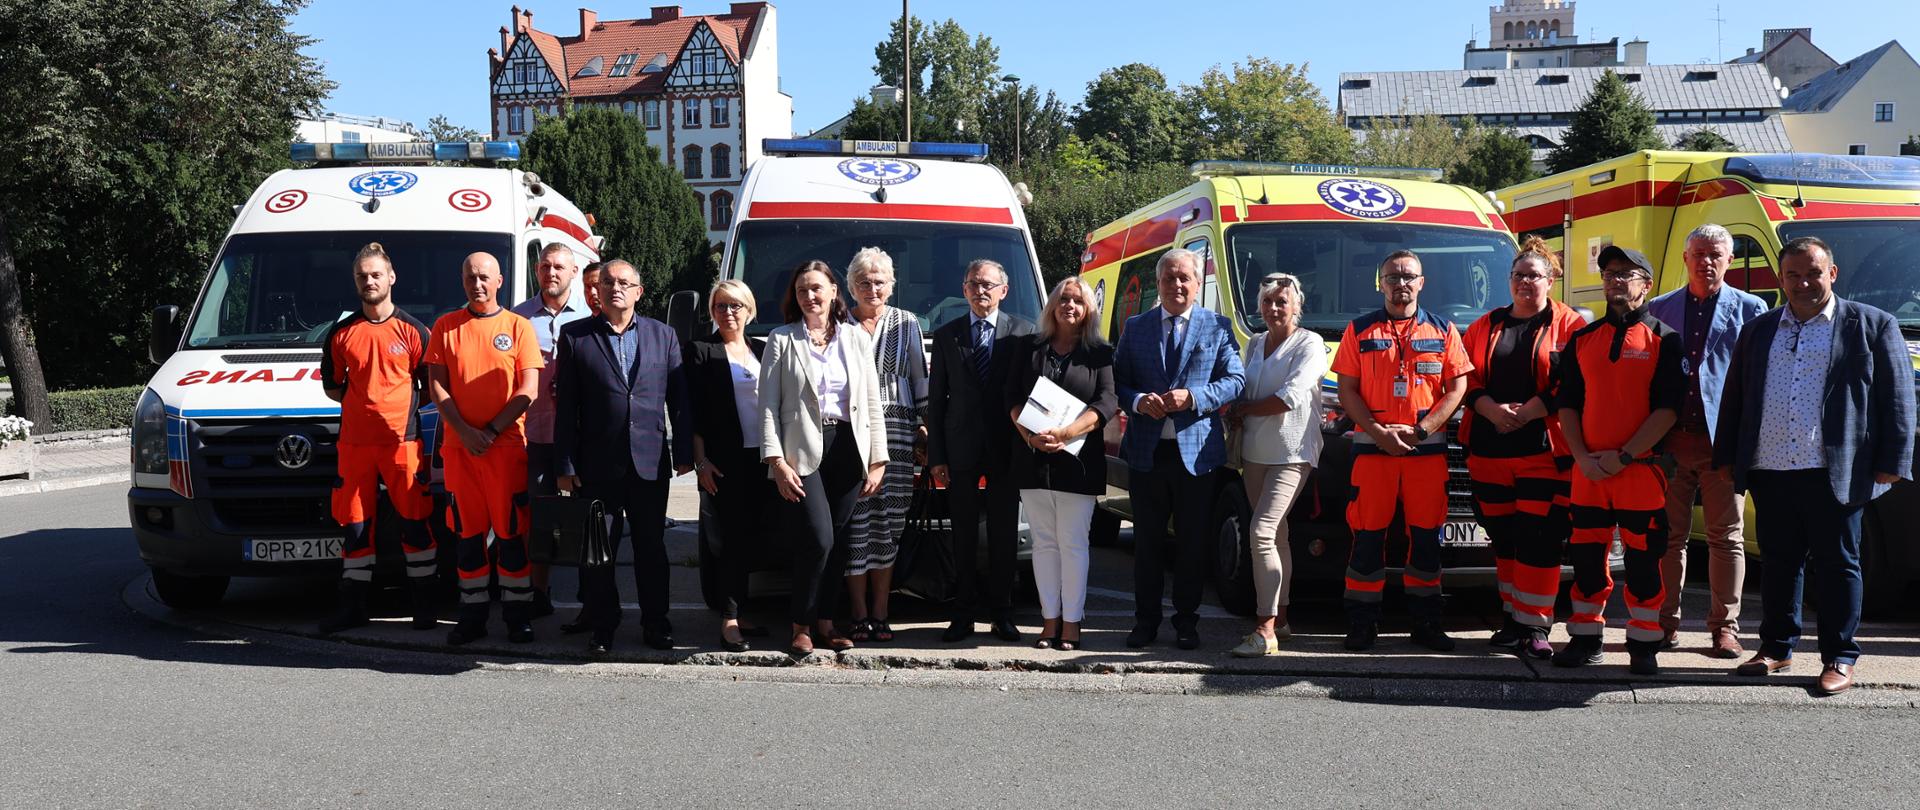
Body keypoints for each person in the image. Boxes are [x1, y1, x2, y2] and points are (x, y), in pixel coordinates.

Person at [1716, 236, 1914, 695]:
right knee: (1780, 563)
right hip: (1771, 468)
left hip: (1836, 471)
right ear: (1780, 279)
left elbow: (1897, 399)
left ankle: (1840, 656)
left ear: (1833, 274)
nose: (1803, 283)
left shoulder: (1871, 325)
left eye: (1813, 273)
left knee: (1839, 565)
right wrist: (1728, 457)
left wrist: (1892, 463)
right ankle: (1776, 648)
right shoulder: (1760, 329)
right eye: (1793, 275)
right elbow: (1736, 399)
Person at [1553, 245, 1684, 676]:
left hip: (1639, 473)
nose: (1615, 280)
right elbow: (1567, 405)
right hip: (1588, 473)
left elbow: (1667, 411)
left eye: (1626, 274)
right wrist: (1581, 458)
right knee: (1588, 561)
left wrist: (1625, 455)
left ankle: (1644, 645)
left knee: (1644, 562)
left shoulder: (1665, 340)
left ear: (1646, 284)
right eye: (1610, 273)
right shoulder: (1582, 339)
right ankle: (1585, 638)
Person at [1331, 250, 1471, 652]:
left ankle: (1426, 625)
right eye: (1392, 277)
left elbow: (1457, 389)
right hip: (1373, 455)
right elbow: (1347, 390)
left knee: (1426, 541)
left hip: (1424, 456)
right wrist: (1377, 432)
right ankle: (1361, 625)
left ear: (1421, 282)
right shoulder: (1358, 331)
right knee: (1367, 540)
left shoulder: (1444, 331)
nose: (1400, 284)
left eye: (1408, 276)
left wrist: (1423, 429)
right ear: (1381, 283)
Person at [553, 259, 692, 656]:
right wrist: (565, 465)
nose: (615, 288)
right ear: (596, 291)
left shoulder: (663, 336)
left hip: (649, 465)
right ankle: (603, 625)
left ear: (638, 292)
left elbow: (679, 400)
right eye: (608, 282)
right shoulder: (575, 336)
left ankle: (656, 622)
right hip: (596, 466)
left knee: (652, 549)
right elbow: (567, 408)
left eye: (624, 283)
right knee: (598, 553)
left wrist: (683, 453)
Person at [1460, 238, 1586, 660]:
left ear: (1550, 280)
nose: (1525, 282)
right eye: (1518, 275)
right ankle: (1513, 619)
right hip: (1488, 451)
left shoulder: (1570, 325)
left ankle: (1536, 624)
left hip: (1543, 451)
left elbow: (1574, 381)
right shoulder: (1485, 325)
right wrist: (1491, 410)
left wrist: (1533, 410)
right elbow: (1466, 379)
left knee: (1539, 539)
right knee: (1505, 540)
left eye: (1533, 275)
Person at [1113, 248, 1245, 650]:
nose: (1177, 285)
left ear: (1197, 282)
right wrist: (1137, 401)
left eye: (1184, 277)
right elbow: (1116, 383)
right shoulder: (1136, 328)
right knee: (1148, 544)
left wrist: (1194, 397)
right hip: (1147, 455)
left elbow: (1236, 381)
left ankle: (1187, 623)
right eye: (1169, 278)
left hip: (1196, 457)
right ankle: (1145, 622)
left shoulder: (1217, 327)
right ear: (1160, 283)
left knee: (1190, 546)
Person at [1646, 224, 1767, 658]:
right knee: (1668, 538)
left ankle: (1724, 627)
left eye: (1715, 253)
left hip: (1722, 445)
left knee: (1726, 537)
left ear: (1729, 260)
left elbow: (1758, 379)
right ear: (1685, 258)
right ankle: (1664, 623)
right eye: (1698, 253)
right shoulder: (1659, 309)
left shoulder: (1752, 309)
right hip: (1670, 442)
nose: (1706, 261)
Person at [759, 261, 889, 656]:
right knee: (818, 538)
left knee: (841, 541)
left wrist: (878, 458)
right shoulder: (781, 340)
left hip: (849, 447)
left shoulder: (855, 338)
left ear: (834, 291)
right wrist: (776, 461)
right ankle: (801, 624)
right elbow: (766, 407)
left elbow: (870, 400)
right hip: (802, 451)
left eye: (817, 288)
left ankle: (827, 623)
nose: (810, 297)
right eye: (802, 291)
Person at [315, 242, 437, 634]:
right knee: (354, 528)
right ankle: (352, 609)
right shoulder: (341, 332)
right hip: (354, 446)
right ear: (356, 281)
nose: (369, 281)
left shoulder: (415, 330)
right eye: (362, 276)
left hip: (403, 443)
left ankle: (424, 607)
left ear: (391, 277)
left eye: (375, 274)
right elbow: (334, 386)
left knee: (415, 525)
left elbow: (430, 386)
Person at [426, 252, 543, 645]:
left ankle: (517, 617)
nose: (477, 284)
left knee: (511, 536)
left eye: (484, 278)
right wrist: (463, 430)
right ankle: (472, 617)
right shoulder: (445, 326)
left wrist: (490, 431)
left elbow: (529, 389)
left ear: (499, 282)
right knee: (468, 537)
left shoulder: (519, 326)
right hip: (461, 452)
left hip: (505, 448)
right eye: (471, 277)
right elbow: (437, 386)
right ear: (463, 281)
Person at [928, 259, 1038, 643]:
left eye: (989, 285)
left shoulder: (1023, 333)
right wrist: (937, 456)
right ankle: (962, 614)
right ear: (964, 289)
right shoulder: (946, 336)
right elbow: (937, 402)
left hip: (1007, 448)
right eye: (974, 284)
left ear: (1003, 291)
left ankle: (1002, 613)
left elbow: (1030, 393)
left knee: (1005, 535)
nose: (981, 291)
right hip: (960, 449)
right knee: (962, 535)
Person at [1005, 277, 1116, 652]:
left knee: (1073, 544)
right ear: (1052, 305)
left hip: (1079, 463)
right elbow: (1013, 397)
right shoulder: (1030, 348)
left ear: (1088, 310)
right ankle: (1048, 621)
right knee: (1044, 545)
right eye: (1064, 299)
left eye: (1078, 301)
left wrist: (1067, 433)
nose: (1070, 306)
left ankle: (1072, 623)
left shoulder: (1100, 353)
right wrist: (1030, 438)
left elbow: (1106, 403)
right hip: (1033, 460)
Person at [1226, 273, 1327, 658]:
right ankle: (1281, 618)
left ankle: (1264, 629)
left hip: (1292, 453)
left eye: (1281, 302)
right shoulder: (1253, 344)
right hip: (1253, 451)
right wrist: (1233, 408)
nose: (1273, 309)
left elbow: (1290, 397)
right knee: (1277, 535)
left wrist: (1245, 408)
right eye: (1267, 302)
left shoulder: (1311, 344)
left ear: (1296, 306)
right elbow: (1241, 388)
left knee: (1261, 532)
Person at [841, 247, 927, 644]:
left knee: (889, 525)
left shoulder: (906, 323)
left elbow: (919, 381)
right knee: (856, 522)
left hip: (898, 433)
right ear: (851, 287)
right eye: (864, 282)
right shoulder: (839, 323)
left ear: (891, 286)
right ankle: (857, 614)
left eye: (879, 282)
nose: (871, 288)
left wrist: (925, 428)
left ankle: (881, 613)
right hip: (852, 434)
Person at [687, 279, 770, 652]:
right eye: (721, 306)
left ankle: (742, 610)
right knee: (730, 541)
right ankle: (729, 619)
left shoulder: (764, 350)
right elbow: (693, 413)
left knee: (753, 537)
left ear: (749, 310)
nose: (728, 312)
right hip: (724, 462)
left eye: (736, 305)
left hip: (763, 458)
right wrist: (700, 461)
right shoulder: (702, 351)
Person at [511, 243, 588, 618]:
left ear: (574, 272)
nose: (551, 273)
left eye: (559, 267)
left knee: (587, 517)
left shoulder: (593, 315)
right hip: (535, 435)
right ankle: (537, 591)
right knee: (538, 516)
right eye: (544, 266)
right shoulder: (518, 319)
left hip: (581, 436)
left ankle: (591, 598)